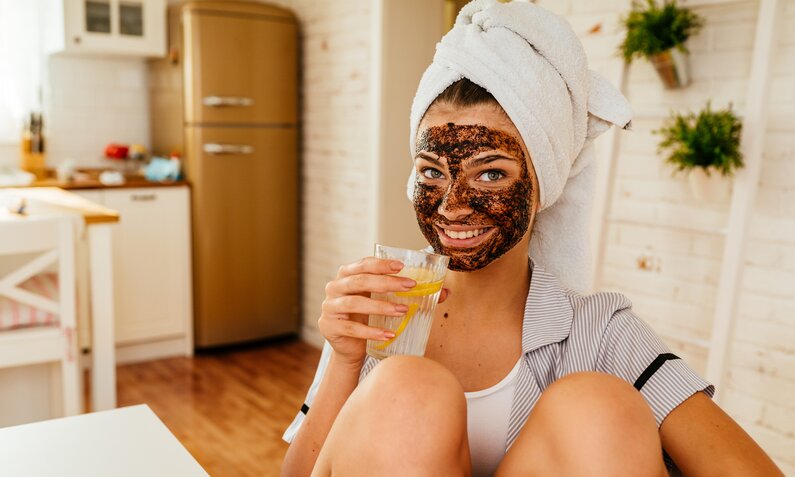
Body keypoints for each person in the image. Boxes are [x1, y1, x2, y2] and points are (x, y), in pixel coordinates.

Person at [281, 1, 783, 475]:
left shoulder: (601, 333)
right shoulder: (377, 306)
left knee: (597, 408)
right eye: (431, 172)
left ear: (543, 183)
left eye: (491, 174)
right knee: (406, 389)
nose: (451, 204)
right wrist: (347, 361)